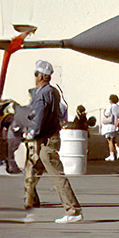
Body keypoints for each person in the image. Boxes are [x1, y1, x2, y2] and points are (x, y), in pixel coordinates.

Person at [21, 60, 82, 223]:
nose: (35, 78)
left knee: (56, 175)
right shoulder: (53, 91)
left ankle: (73, 210)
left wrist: (30, 133)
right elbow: (61, 111)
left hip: (45, 140)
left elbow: (39, 116)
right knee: (33, 170)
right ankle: (30, 200)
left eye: (35, 74)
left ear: (41, 76)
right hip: (49, 137)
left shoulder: (41, 94)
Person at [99, 94, 119, 161]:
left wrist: (104, 112)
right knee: (113, 139)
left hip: (110, 126)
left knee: (110, 140)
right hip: (116, 125)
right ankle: (118, 149)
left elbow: (107, 114)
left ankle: (112, 155)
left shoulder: (110, 106)